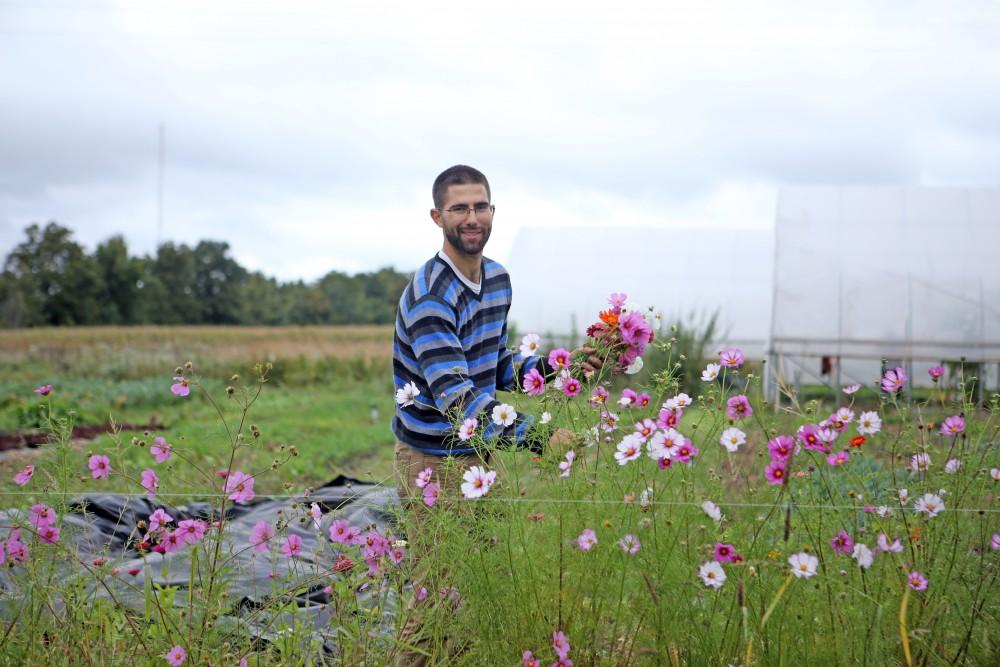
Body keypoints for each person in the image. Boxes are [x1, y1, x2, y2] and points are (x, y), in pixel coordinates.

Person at [390, 164, 599, 665]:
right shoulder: (430, 296)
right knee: (434, 593)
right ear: (437, 215)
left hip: (478, 455)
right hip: (432, 460)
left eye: (480, 206)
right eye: (459, 208)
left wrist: (558, 366)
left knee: (483, 585)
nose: (471, 217)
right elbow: (457, 395)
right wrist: (537, 438)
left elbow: (495, 363)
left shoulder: (498, 278)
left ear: (492, 212)